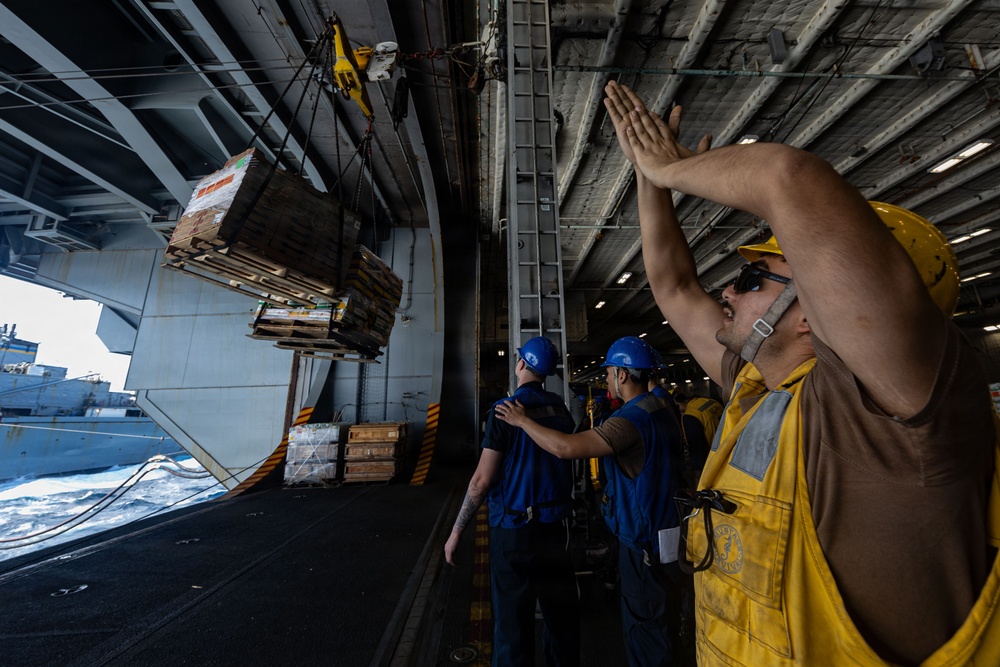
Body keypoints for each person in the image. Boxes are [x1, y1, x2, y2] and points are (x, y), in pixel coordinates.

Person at [603, 80, 1000, 665]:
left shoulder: (890, 424)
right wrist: (647, 176)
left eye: (751, 280)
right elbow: (675, 286)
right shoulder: (757, 389)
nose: (727, 292)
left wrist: (674, 169)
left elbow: (792, 180)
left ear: (820, 306)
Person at [495, 336, 689, 667]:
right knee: (667, 622)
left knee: (646, 631)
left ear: (623, 375)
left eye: (610, 373)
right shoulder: (663, 406)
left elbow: (565, 448)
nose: (607, 380)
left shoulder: (630, 421)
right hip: (670, 535)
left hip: (642, 544)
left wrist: (522, 420)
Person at [444, 336, 580, 667]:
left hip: (515, 532)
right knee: (560, 621)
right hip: (556, 530)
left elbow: (482, 480)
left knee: (512, 626)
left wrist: (457, 532)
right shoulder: (560, 409)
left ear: (520, 364)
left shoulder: (504, 412)